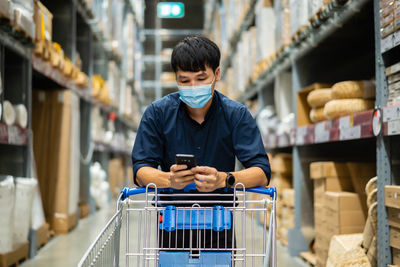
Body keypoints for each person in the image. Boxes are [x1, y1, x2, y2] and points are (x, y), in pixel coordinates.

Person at [131, 35, 271, 252]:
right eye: (184, 81)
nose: (193, 87)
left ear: (217, 73)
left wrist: (224, 179)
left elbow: (261, 172)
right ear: (176, 79)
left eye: (201, 78)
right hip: (171, 224)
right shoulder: (157, 114)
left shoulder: (236, 115)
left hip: (219, 225)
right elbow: (141, 171)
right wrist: (170, 180)